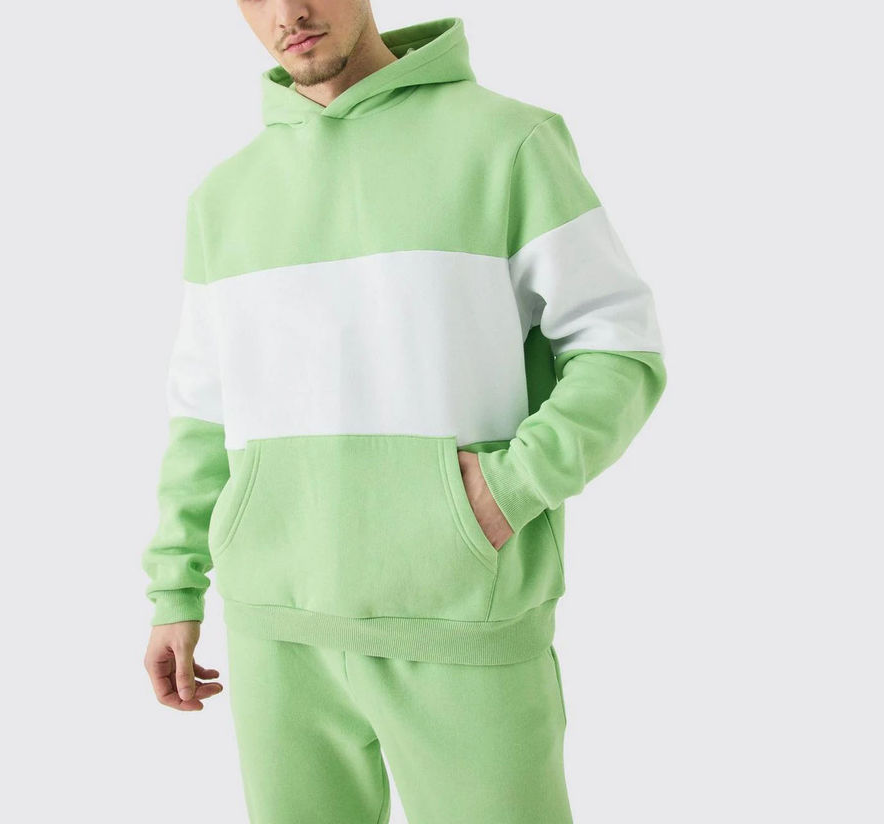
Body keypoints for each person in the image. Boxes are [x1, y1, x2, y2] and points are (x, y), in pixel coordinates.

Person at [141, 3, 667, 822]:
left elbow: (620, 349)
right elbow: (203, 413)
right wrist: (175, 589)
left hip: (460, 620)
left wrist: (508, 489)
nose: (289, 13)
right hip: (276, 635)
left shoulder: (508, 143)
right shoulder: (224, 197)